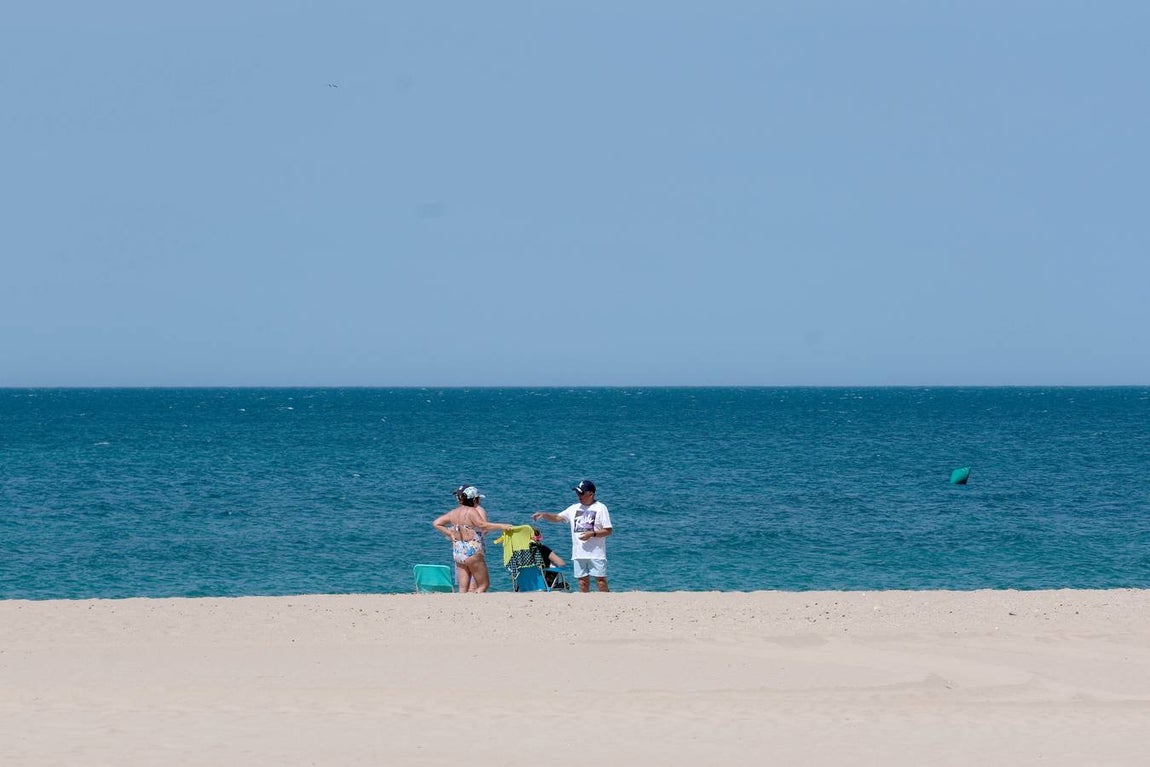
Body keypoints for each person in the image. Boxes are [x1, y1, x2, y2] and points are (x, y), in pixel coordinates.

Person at [532, 479, 613, 592]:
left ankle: (606, 603)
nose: (579, 495)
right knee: (582, 583)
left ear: (591, 493)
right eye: (577, 493)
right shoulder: (574, 508)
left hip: (596, 553)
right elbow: (557, 518)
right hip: (579, 553)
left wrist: (592, 534)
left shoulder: (600, 508)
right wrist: (544, 515)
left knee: (600, 581)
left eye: (581, 493)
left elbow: (608, 530)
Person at [431, 485, 510, 593]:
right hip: (472, 551)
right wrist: (503, 526)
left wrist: (450, 533)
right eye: (478, 499)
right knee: (483, 585)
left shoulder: (453, 512)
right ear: (474, 499)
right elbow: (482, 525)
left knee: (463, 589)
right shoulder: (471, 511)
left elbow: (436, 523)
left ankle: (461, 607)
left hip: (458, 551)